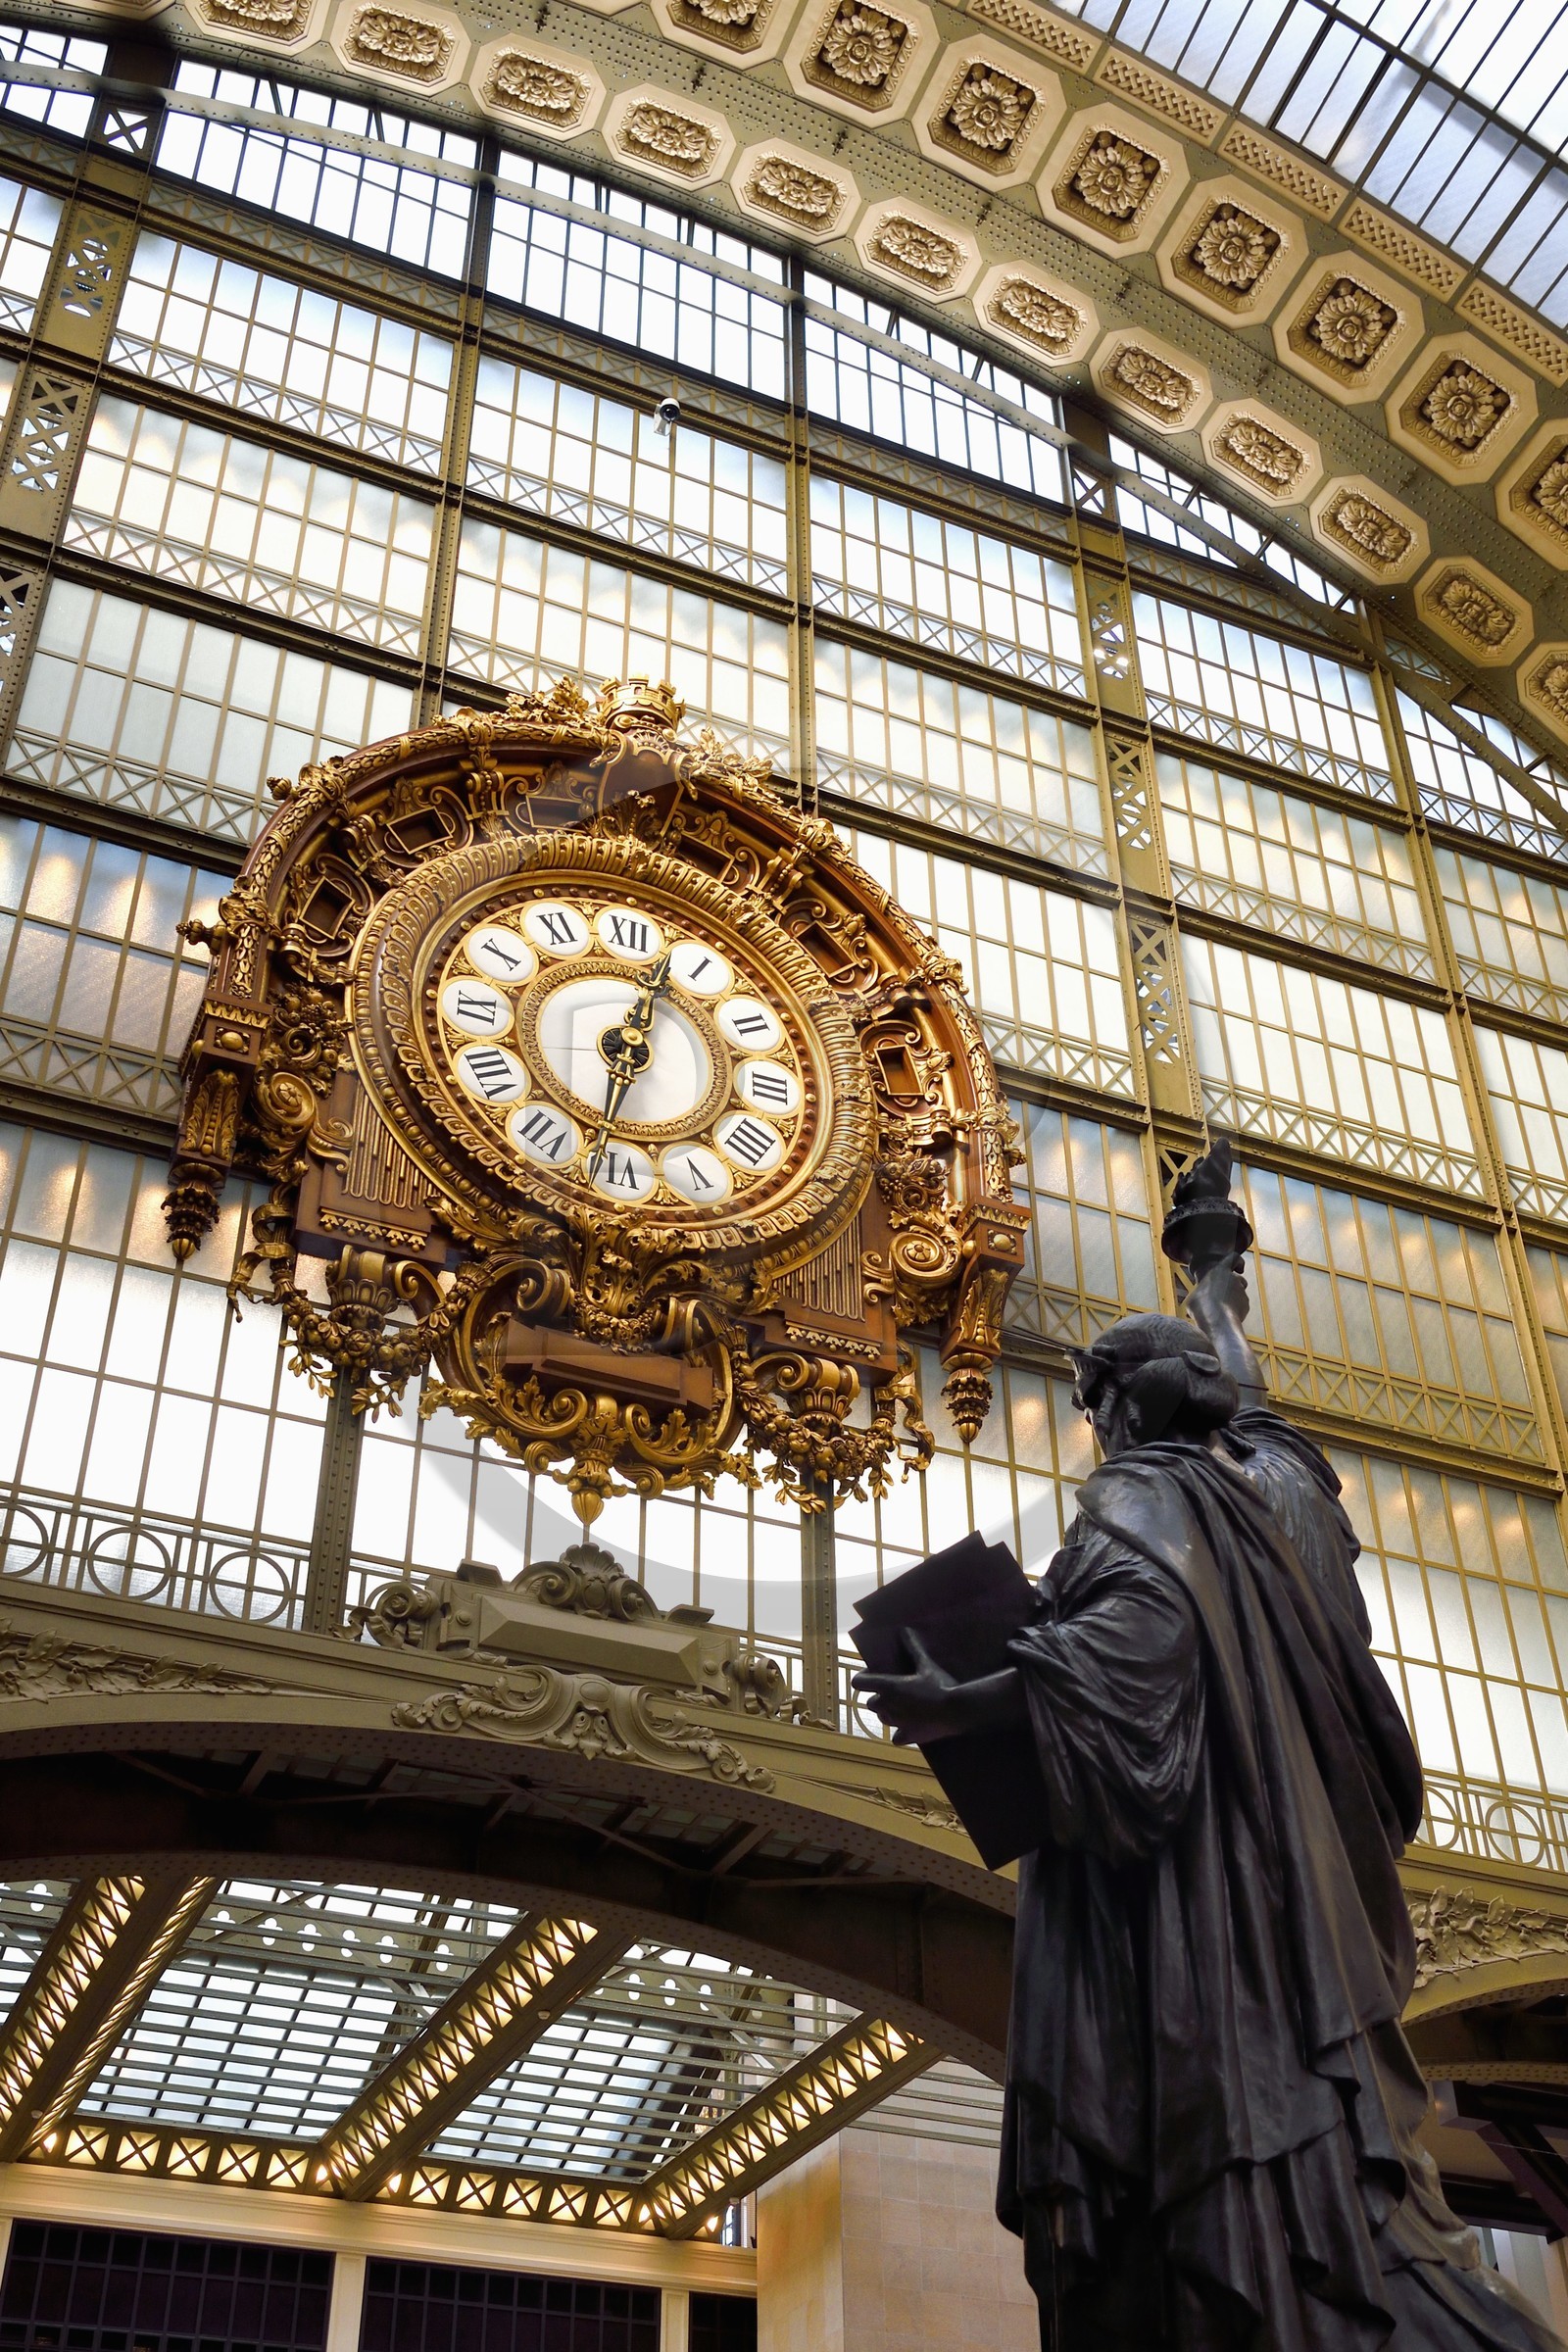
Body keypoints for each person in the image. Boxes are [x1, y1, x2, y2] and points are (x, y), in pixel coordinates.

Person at [854, 1154, 1562, 2352]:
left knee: (1197, 2152)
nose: (1094, 1427)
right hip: (1300, 1889)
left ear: (1121, 1407)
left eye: (1095, 1403)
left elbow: (1138, 1645)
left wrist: (969, 1700)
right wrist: (1213, 1273)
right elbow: (1251, 1404)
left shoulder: (1144, 1494)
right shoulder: (1275, 1493)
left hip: (1203, 1907)